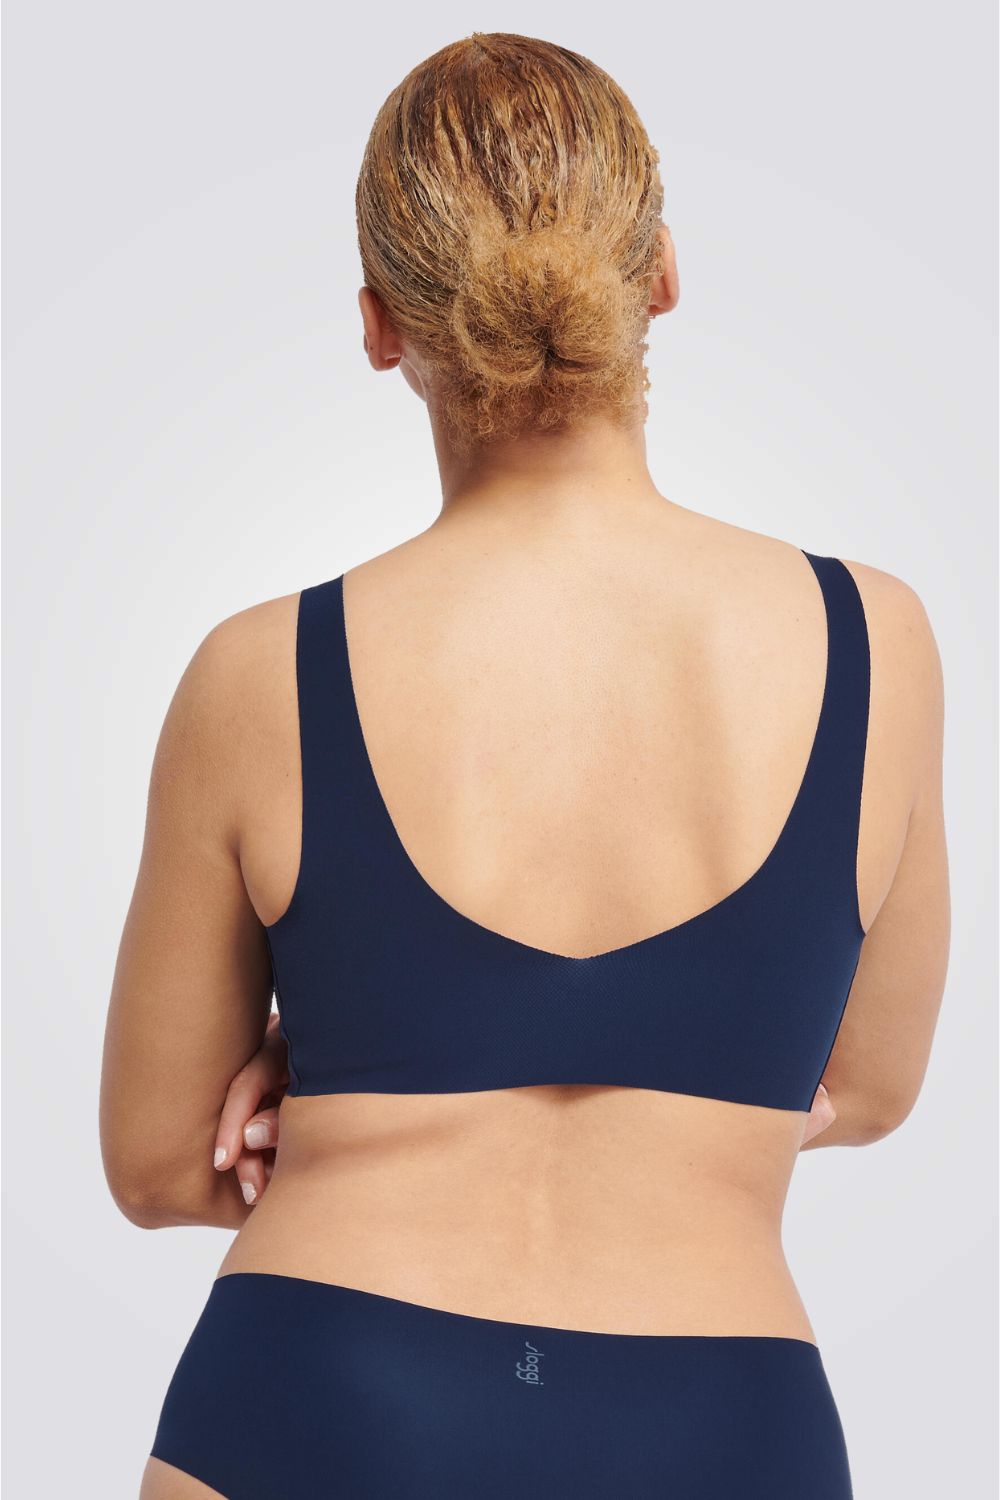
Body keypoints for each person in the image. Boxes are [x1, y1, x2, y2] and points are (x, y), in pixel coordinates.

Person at [100, 31, 950, 1500]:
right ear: (661, 275)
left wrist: (365, 1059)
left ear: (381, 327)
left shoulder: (257, 675)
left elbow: (160, 1164)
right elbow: (864, 1085)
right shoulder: (875, 642)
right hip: (721, 1411)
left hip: (323, 1382)